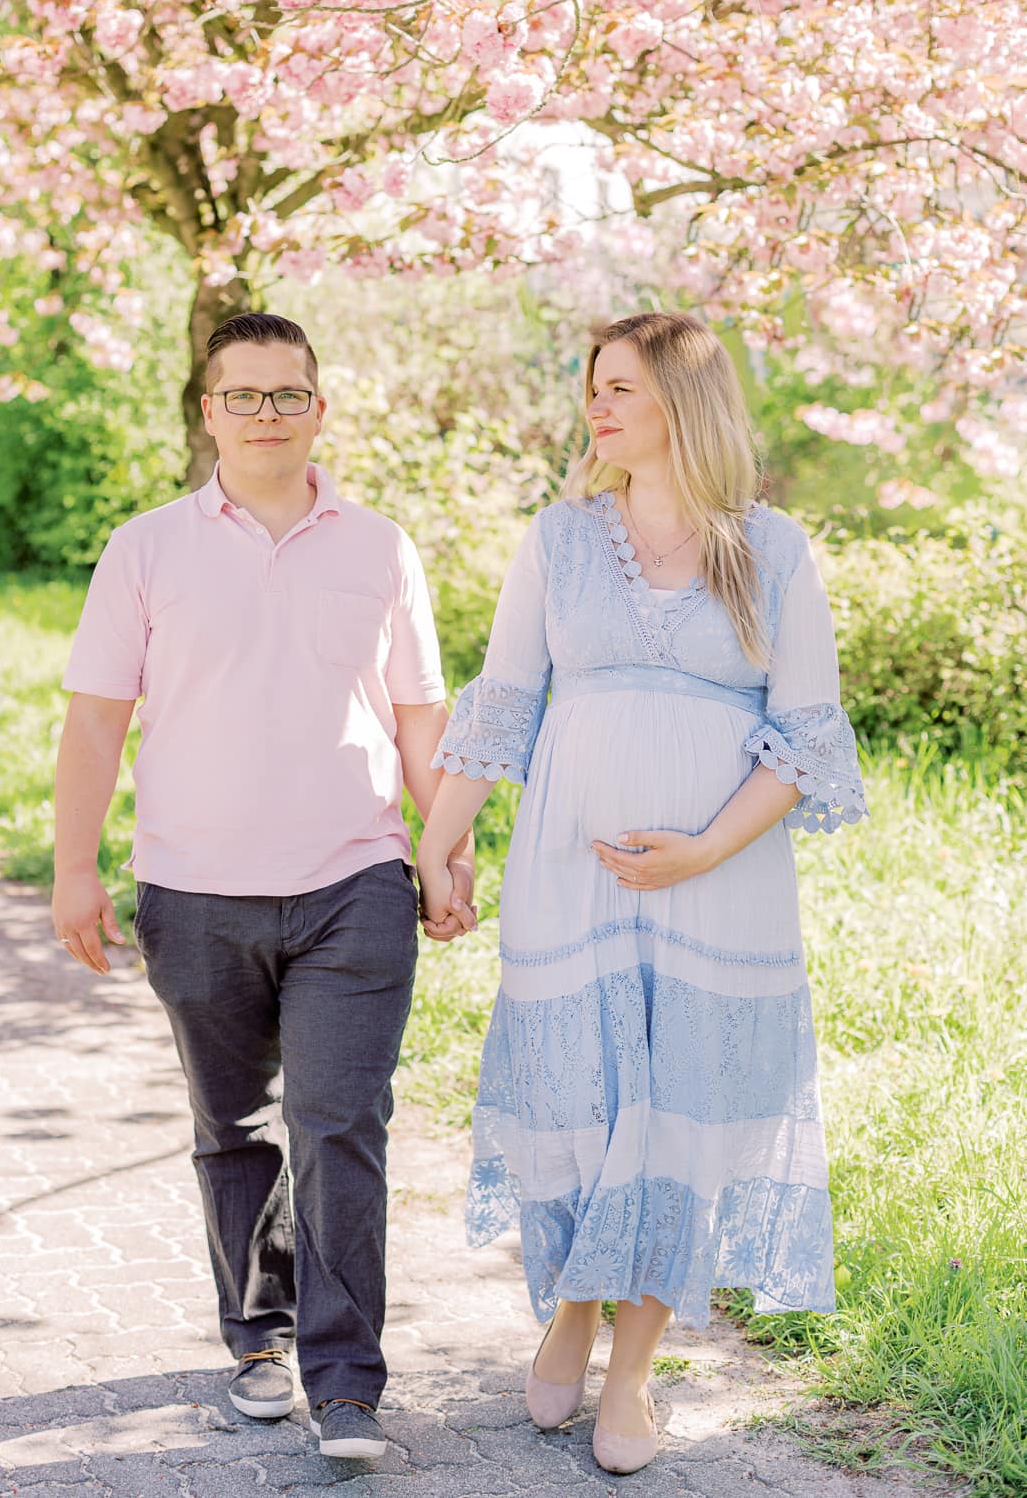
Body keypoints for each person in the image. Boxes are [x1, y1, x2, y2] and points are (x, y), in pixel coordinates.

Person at [415, 310, 867, 1476]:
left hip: (718, 884)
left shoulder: (772, 550)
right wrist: (438, 846)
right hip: (572, 875)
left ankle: (632, 1374)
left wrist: (706, 848)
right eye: (593, 388)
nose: (598, 407)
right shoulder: (559, 541)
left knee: (675, 1114)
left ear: (685, 400)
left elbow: (808, 737)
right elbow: (503, 702)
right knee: (581, 1100)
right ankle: (572, 1307)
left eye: (622, 386)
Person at [51, 312, 474, 1462]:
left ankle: (348, 1384)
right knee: (232, 1128)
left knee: (341, 1125)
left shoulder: (382, 547)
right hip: (191, 890)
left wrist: (445, 845)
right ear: (209, 409)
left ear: (320, 409)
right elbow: (97, 720)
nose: (267, 415)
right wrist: (74, 868)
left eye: (288, 395)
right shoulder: (145, 549)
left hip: (355, 884)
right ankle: (259, 1341)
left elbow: (419, 713)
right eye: (243, 396)